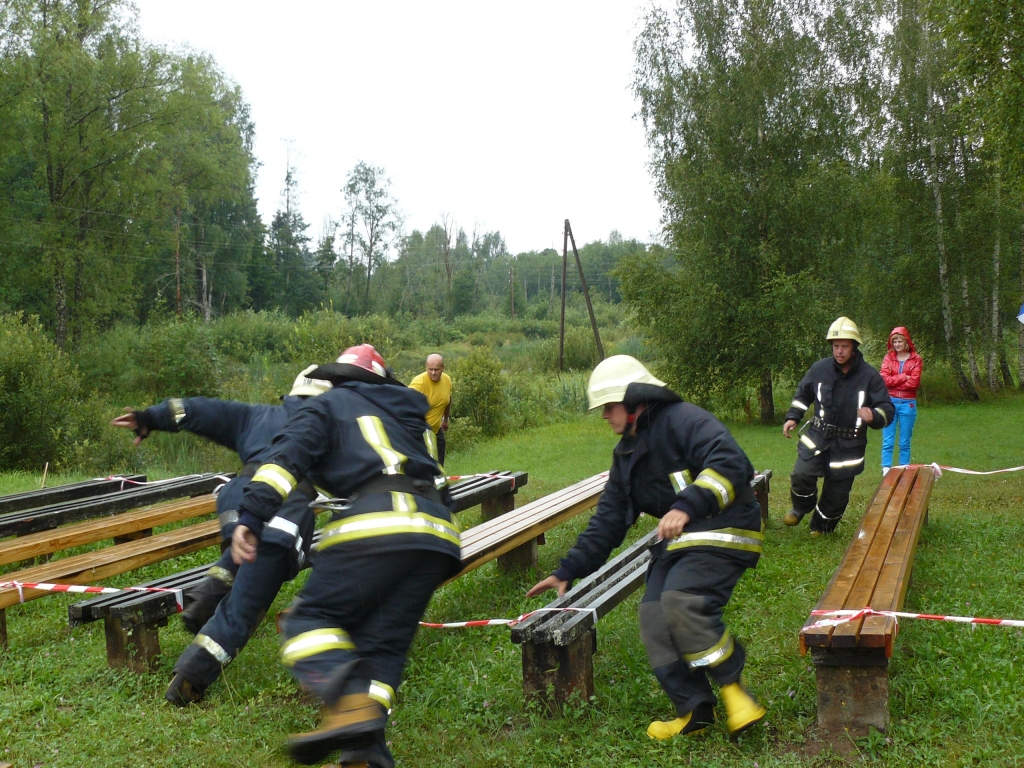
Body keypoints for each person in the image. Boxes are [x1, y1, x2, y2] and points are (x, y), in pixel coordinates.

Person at [229, 344, 458, 768]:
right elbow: (439, 481)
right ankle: (366, 755)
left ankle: (350, 706)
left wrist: (251, 514)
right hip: (438, 533)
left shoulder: (331, 404)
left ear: (341, 379)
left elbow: (285, 462)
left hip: (377, 521)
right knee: (383, 650)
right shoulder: (411, 416)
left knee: (305, 621)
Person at [527, 355, 766, 740]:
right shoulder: (626, 453)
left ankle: (735, 691)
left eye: (609, 406)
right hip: (681, 542)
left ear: (634, 400)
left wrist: (687, 506)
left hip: (726, 527)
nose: (605, 415)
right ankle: (694, 712)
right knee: (653, 615)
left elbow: (732, 463)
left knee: (681, 601)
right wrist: (568, 568)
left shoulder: (685, 420)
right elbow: (608, 519)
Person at [110, 366, 333, 706]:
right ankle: (189, 682)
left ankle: (215, 584)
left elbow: (199, 410)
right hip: (282, 514)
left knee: (240, 555)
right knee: (242, 610)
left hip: (237, 504)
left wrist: (148, 418)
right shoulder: (326, 427)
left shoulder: (256, 416)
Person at [782, 317, 895, 534]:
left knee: (837, 492)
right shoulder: (819, 369)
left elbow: (887, 409)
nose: (839, 351)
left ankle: (821, 527)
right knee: (802, 473)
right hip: (818, 436)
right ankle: (800, 508)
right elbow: (803, 394)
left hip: (849, 444)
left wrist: (873, 415)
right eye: (836, 346)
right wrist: (793, 416)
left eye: (844, 346)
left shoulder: (870, 376)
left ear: (854, 347)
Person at [879, 327, 922, 472]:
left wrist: (895, 380)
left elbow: (914, 383)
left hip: (907, 404)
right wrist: (904, 377)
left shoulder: (916, 359)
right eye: (894, 341)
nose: (897, 344)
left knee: (904, 441)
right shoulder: (888, 358)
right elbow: (884, 380)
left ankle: (904, 469)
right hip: (889, 403)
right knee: (888, 440)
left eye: (899, 341)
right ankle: (886, 470)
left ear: (906, 342)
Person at [408, 353, 451, 465]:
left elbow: (447, 400)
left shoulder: (447, 380)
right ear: (426, 367)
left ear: (443, 368)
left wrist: (445, 420)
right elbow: (406, 408)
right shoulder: (418, 383)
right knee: (426, 468)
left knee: (439, 466)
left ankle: (439, 482)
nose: (433, 373)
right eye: (430, 369)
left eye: (436, 369)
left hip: (436, 430)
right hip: (420, 433)